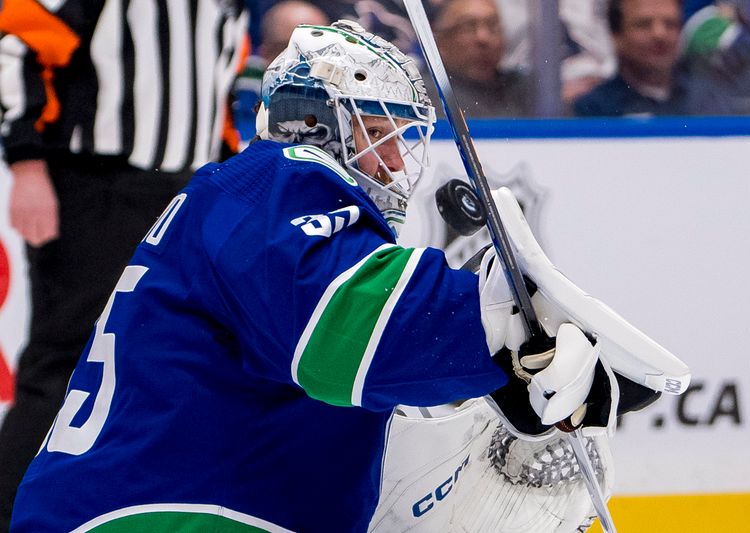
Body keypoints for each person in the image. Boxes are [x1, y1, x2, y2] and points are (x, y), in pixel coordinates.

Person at [9, 20, 676, 533]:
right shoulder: (278, 176)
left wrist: (497, 432)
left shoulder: (244, 207)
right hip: (155, 515)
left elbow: (353, 430)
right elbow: (340, 328)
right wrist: (496, 323)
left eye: (405, 138)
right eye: (381, 131)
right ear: (317, 118)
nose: (397, 161)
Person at [0, 1, 248, 530]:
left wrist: (226, 177)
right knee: (67, 359)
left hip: (188, 189)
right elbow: (18, 39)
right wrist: (26, 163)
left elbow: (217, 78)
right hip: (99, 185)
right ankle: (14, 516)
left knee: (178, 361)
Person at [232, 0, 330, 145]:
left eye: (320, 50)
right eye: (291, 50)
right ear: (265, 53)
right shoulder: (239, 100)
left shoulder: (347, 104)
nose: (307, 63)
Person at [572, 0, 689, 117]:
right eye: (644, 24)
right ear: (616, 35)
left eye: (670, 24)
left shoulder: (703, 98)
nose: (659, 34)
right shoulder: (593, 109)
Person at [430, 0, 538, 118]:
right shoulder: (423, 96)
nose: (483, 38)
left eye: (493, 26)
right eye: (468, 26)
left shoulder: (528, 91)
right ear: (440, 40)